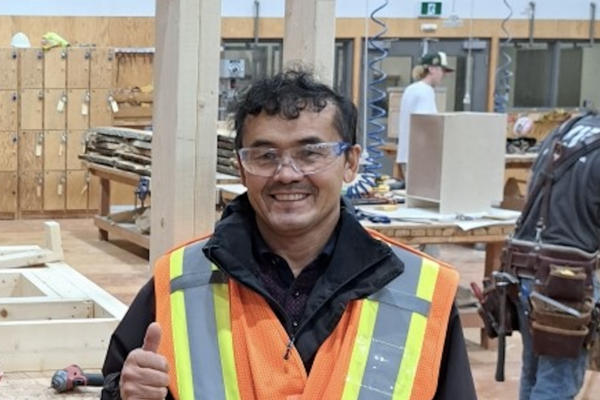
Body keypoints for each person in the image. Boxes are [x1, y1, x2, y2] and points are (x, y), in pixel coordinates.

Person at [100, 68, 477, 400]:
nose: (287, 174)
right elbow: (122, 383)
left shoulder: (421, 291)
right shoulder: (182, 280)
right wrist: (127, 394)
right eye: (265, 156)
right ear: (242, 169)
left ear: (351, 163)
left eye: (311, 153)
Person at [503, 112, 600, 400]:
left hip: (523, 268)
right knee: (557, 382)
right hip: (564, 280)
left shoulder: (566, 129)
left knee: (535, 374)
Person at [395, 51, 453, 179]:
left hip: (408, 156)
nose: (443, 76)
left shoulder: (412, 89)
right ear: (432, 69)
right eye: (442, 71)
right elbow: (426, 124)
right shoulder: (425, 91)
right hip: (419, 158)